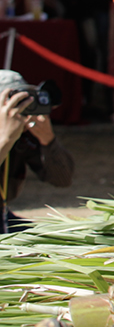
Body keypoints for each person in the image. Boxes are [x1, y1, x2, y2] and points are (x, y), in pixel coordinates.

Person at [0, 71, 73, 232]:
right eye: (13, 102)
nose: (20, 109)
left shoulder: (24, 133)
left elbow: (63, 179)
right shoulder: (9, 134)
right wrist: (5, 140)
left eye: (24, 101)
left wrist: (48, 140)